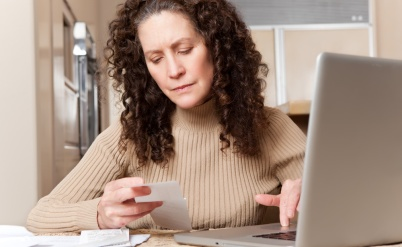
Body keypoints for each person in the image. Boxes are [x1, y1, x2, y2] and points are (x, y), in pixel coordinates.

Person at [26, 0, 305, 233]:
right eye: (156, 59)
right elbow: (40, 216)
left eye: (184, 50)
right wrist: (99, 214)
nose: (173, 71)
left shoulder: (271, 127)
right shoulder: (130, 134)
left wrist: (310, 198)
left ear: (218, 47)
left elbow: (339, 208)